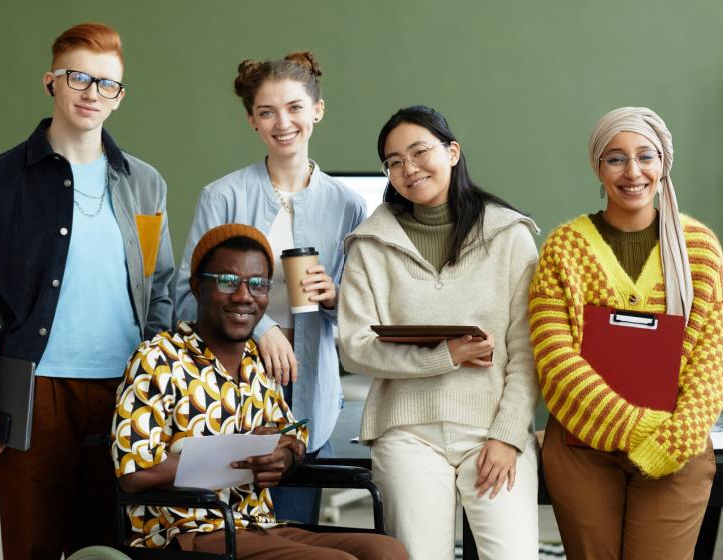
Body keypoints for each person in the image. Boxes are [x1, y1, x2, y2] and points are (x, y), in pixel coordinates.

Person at [0, 22, 174, 560]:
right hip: (32, 391)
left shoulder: (145, 184)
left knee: (111, 547)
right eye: (78, 78)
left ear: (119, 97)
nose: (92, 93)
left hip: (124, 391)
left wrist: (153, 380)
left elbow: (159, 287)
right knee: (31, 545)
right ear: (52, 82)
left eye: (107, 84)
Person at [113, 224, 407, 559]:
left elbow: (290, 439)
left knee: (386, 551)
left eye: (257, 284)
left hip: (258, 524)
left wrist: (282, 457)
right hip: (187, 532)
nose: (243, 296)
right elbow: (134, 475)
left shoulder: (257, 364)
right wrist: (235, 457)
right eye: (227, 281)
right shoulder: (157, 359)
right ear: (197, 287)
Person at [528, 106, 723, 559]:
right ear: (598, 168)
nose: (632, 171)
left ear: (664, 163)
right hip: (583, 446)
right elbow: (554, 360)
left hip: (676, 446)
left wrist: (676, 437)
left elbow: (712, 360)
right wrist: (634, 426)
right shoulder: (564, 248)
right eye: (615, 158)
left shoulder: (699, 248)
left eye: (646, 156)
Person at [338, 105, 541, 560]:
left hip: (492, 428)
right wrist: (443, 355)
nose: (408, 169)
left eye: (419, 152)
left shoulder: (510, 234)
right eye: (393, 162)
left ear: (452, 152)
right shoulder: (369, 245)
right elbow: (354, 348)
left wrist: (508, 435)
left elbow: (526, 350)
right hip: (406, 429)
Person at [173, 51, 366, 523]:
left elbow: (365, 311)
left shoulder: (348, 206)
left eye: (295, 107)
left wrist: (336, 297)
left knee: (294, 534)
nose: (283, 122)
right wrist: (262, 328)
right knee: (224, 534)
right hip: (221, 397)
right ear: (252, 121)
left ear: (317, 110)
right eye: (267, 111)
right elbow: (184, 293)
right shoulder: (223, 196)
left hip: (306, 399)